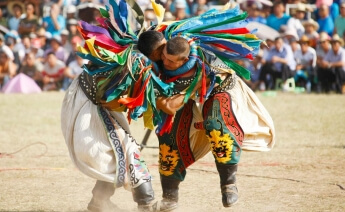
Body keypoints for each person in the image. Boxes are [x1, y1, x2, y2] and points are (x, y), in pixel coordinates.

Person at [137, 31, 275, 211]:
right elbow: (168, 105)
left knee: (216, 122)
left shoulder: (199, 64)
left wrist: (165, 101)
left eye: (170, 60)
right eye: (161, 56)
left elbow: (172, 105)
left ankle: (228, 183)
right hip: (186, 96)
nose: (165, 61)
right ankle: (169, 197)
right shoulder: (161, 46)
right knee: (168, 135)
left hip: (219, 89)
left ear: (184, 60)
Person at [60, 57, 156, 212]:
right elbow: (110, 98)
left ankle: (99, 199)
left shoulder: (115, 60)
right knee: (129, 152)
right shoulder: (122, 62)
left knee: (116, 156)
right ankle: (146, 204)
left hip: (87, 108)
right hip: (89, 115)